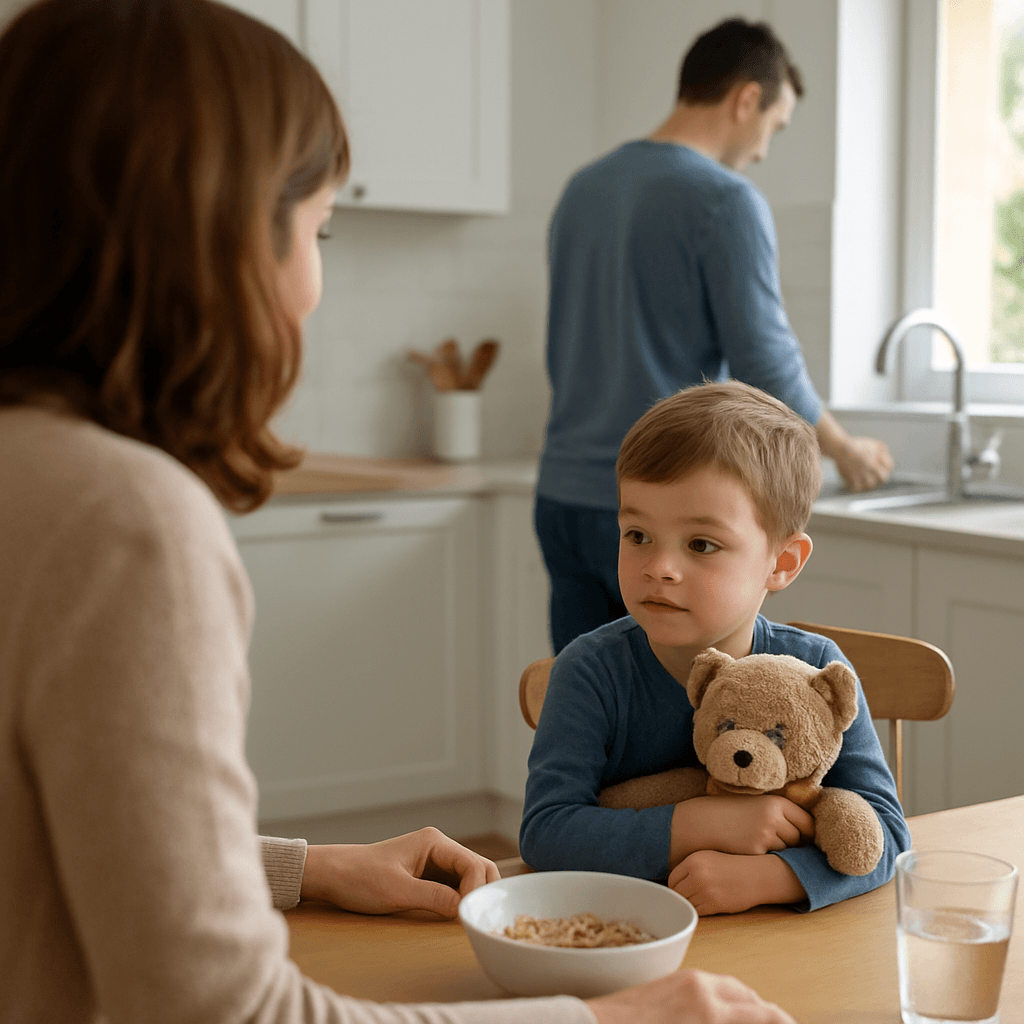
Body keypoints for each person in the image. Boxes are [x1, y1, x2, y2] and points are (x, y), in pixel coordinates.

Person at [0, 2, 796, 1022]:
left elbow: (43, 829)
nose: (313, 287)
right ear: (217, 235)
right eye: (315, 227)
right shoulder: (124, 522)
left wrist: (302, 869)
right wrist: (603, 1017)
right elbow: (222, 1011)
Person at [534, 17, 894, 654]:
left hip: (564, 498)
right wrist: (841, 447)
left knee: (585, 721)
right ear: (746, 98)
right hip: (666, 513)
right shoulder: (725, 200)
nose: (762, 150)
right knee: (696, 733)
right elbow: (766, 361)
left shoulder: (583, 189)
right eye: (774, 128)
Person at [520, 381, 910, 915]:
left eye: (701, 544)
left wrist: (774, 878)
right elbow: (546, 831)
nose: (659, 566)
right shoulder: (588, 671)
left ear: (783, 563)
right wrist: (699, 821)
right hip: (624, 935)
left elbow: (884, 836)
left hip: (775, 957)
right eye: (637, 535)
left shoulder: (819, 671)